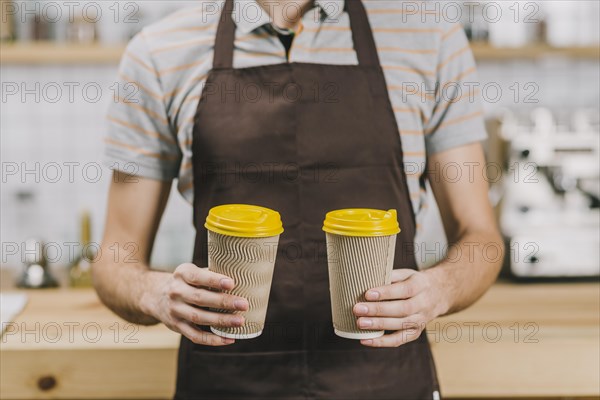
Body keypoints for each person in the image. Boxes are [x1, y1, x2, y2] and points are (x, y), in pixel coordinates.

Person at [93, 1, 504, 398]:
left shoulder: (429, 39)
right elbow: (115, 259)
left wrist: (439, 289)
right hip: (229, 384)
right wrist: (156, 293)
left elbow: (480, 237)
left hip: (383, 382)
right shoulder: (158, 53)